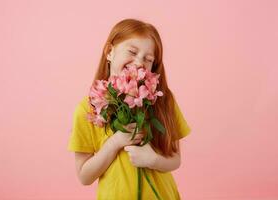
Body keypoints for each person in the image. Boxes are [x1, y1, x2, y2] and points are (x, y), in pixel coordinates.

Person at [67, 18, 192, 200]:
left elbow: (175, 159)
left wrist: (153, 160)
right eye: (132, 51)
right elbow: (84, 177)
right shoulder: (88, 108)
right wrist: (114, 142)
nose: (139, 62)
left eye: (148, 59)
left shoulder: (163, 101)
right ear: (109, 52)